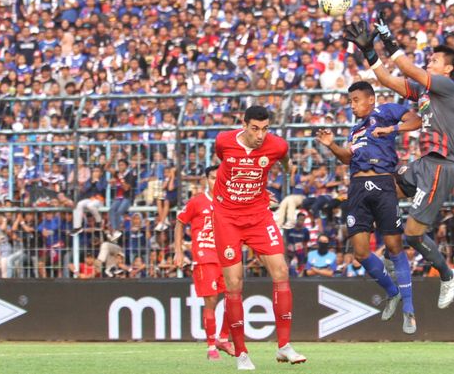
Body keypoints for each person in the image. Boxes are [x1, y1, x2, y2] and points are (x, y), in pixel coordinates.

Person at [344, 16, 454, 309]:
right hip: (423, 163)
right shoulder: (423, 91)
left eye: (434, 60)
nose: (430, 62)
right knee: (385, 185)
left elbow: (408, 68)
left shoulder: (446, 87)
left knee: (413, 235)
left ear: (447, 68)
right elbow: (386, 79)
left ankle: (448, 275)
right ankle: (389, 242)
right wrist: (369, 50)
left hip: (441, 165)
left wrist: (389, 41)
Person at [315, 81, 421, 333]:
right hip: (357, 188)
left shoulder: (385, 112)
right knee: (360, 252)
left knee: (395, 247)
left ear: (370, 99)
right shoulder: (355, 131)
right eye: (350, 100)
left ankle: (409, 309)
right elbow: (347, 158)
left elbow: (416, 121)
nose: (351, 105)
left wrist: (391, 129)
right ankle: (392, 292)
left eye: (355, 100)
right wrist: (331, 145)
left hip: (384, 182)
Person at [213, 105, 306, 370]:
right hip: (227, 218)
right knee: (234, 283)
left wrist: (288, 170)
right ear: (244, 125)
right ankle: (242, 353)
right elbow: (223, 160)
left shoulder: (277, 146)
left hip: (258, 216)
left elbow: (286, 160)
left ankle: (284, 346)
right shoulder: (224, 141)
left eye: (265, 129)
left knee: (281, 271)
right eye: (255, 128)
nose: (260, 135)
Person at [174, 165, 234, 361]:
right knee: (211, 301)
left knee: (234, 298)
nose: (216, 181)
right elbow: (180, 221)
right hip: (204, 256)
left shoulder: (230, 202)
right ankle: (211, 347)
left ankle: (223, 338)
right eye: (212, 178)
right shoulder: (197, 202)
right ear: (205, 180)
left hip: (226, 256)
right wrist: (178, 251)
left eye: (219, 178)